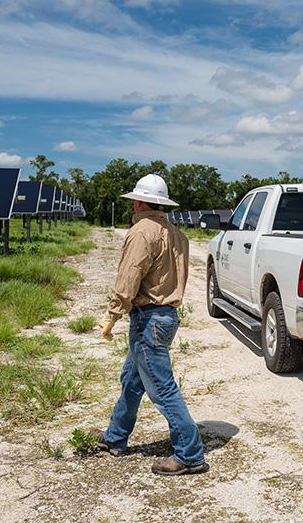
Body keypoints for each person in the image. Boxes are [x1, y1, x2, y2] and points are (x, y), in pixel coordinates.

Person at [88, 173, 207, 476]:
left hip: (147, 320)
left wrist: (113, 314)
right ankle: (115, 437)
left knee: (162, 389)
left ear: (139, 202)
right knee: (131, 380)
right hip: (165, 317)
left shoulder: (142, 231)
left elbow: (130, 276)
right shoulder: (177, 234)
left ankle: (190, 454)